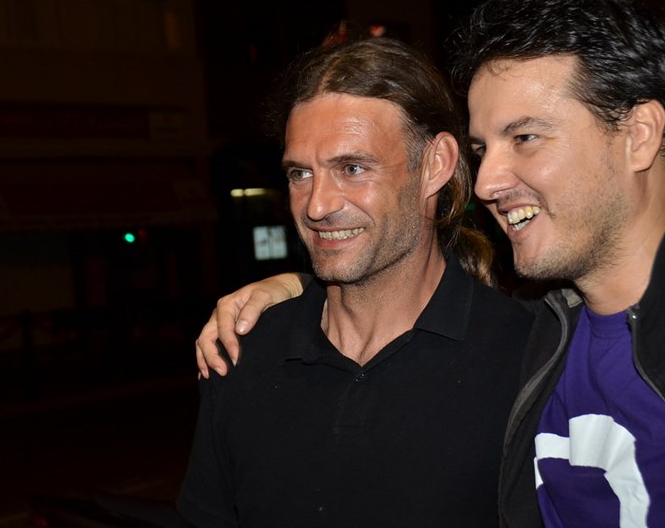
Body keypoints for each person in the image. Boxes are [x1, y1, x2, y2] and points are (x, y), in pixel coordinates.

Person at [195, 0, 665, 526]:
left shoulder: (519, 350)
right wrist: (295, 288)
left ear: (640, 134)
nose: (487, 182)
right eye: (299, 173)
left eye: (526, 138)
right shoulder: (554, 341)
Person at [178, 36, 533, 527]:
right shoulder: (241, 353)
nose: (316, 205)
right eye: (300, 173)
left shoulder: (529, 357)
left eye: (351, 168)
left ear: (435, 165)